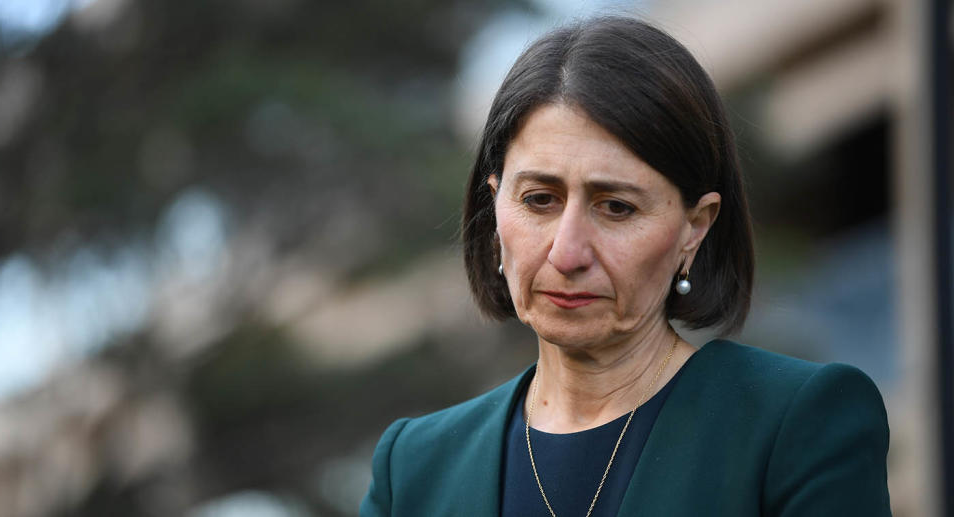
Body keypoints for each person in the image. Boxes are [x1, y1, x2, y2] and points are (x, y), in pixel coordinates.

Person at [360, 16, 891, 517]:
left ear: (695, 227)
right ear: (495, 207)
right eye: (539, 199)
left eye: (616, 207)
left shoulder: (796, 424)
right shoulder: (414, 467)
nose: (567, 254)